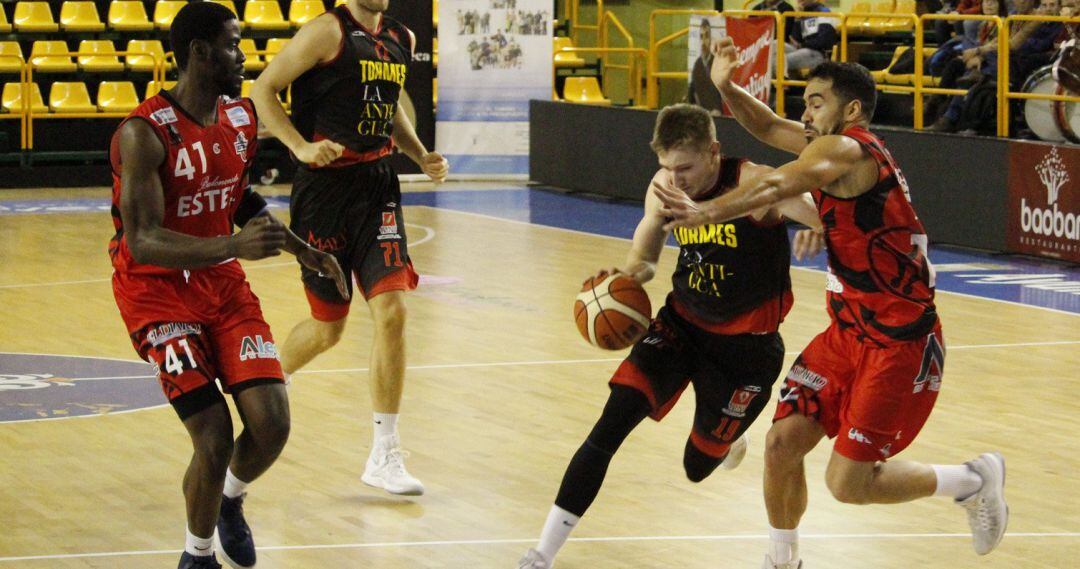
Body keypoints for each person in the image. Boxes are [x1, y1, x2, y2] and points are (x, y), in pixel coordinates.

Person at [654, 39, 1009, 569]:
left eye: (816, 101)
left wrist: (706, 213)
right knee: (780, 445)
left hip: (897, 341)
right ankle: (783, 561)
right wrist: (727, 88)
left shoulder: (848, 148)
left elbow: (775, 182)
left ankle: (972, 481)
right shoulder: (826, 145)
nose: (805, 112)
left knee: (848, 484)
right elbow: (769, 127)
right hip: (846, 334)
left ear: (852, 110)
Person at [517, 104, 825, 569]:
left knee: (696, 466)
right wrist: (619, 280)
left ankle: (728, 437)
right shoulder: (663, 190)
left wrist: (817, 229)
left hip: (747, 353)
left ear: (714, 152)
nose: (674, 179)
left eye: (685, 167)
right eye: (666, 167)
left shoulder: (754, 183)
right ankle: (541, 554)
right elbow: (644, 260)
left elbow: (825, 213)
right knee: (610, 425)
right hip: (680, 327)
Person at [108, 4, 349, 569]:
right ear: (199, 52)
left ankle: (230, 502)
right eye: (234, 45)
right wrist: (230, 247)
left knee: (272, 423)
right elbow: (142, 240)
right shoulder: (143, 133)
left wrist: (302, 249)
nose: (245, 57)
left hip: (221, 283)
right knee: (213, 436)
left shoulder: (240, 118)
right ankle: (197, 557)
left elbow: (238, 199)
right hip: (155, 292)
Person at [251, 0, 448, 497]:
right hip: (324, 193)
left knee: (393, 311)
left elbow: (392, 105)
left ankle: (385, 453)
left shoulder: (401, 38)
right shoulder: (324, 32)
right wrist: (298, 146)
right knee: (327, 328)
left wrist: (419, 153)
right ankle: (264, 379)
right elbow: (263, 90)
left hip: (377, 183)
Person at [785, 0, 839, 76]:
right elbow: (795, 39)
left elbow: (822, 42)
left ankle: (783, 84)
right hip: (802, 50)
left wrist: (802, 45)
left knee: (781, 61)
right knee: (776, 45)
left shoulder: (824, 12)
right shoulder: (803, 13)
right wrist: (797, 19)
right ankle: (785, 81)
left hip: (819, 54)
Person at [688, 18, 725, 113]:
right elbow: (692, 94)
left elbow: (724, 91)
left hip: (718, 114)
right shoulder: (697, 65)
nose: (703, 41)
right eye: (701, 37)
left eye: (706, 36)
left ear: (711, 39)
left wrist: (718, 109)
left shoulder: (718, 62)